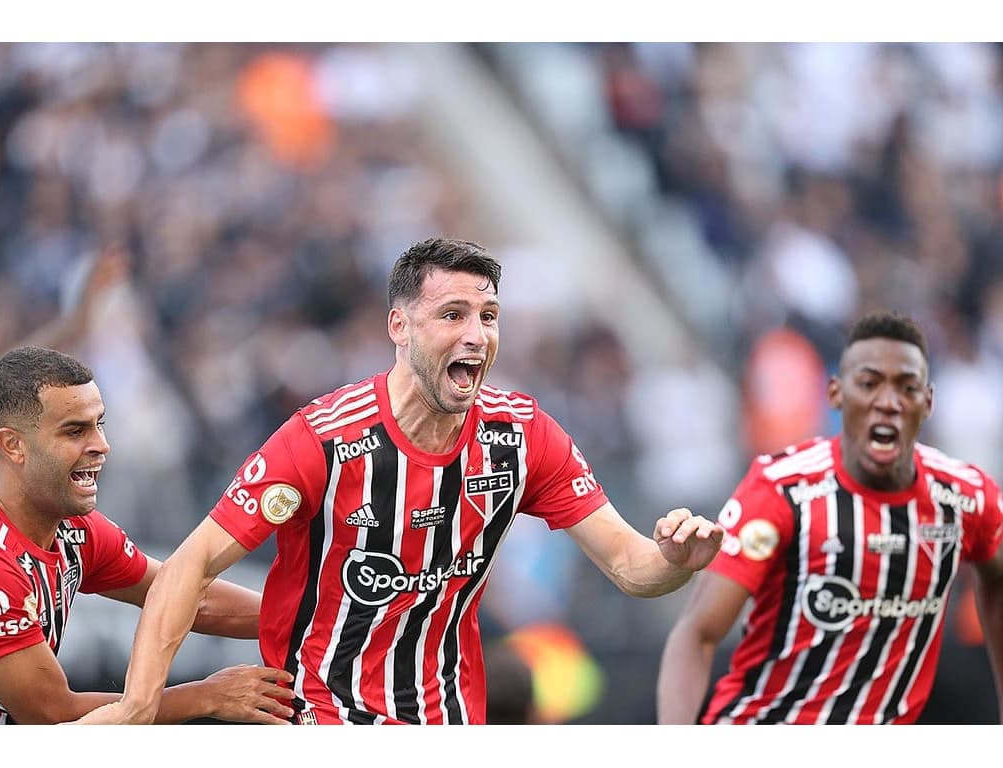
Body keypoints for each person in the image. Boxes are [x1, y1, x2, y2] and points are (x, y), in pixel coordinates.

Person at [77, 236, 724, 725]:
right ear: (399, 327)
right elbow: (190, 566)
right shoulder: (324, 440)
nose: (477, 335)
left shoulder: (521, 437)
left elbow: (630, 564)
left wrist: (674, 559)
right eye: (453, 315)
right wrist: (141, 708)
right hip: (320, 722)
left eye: (489, 316)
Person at [656, 310, 1003, 725]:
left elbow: (997, 578)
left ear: (927, 402)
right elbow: (698, 633)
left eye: (906, 387)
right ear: (836, 393)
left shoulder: (965, 497)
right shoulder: (782, 489)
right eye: (870, 383)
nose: (888, 402)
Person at [0, 345, 296, 724]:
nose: (101, 445)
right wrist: (207, 696)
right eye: (75, 431)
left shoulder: (76, 530)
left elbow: (185, 598)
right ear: (13, 445)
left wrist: (314, 613)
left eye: (100, 424)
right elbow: (50, 716)